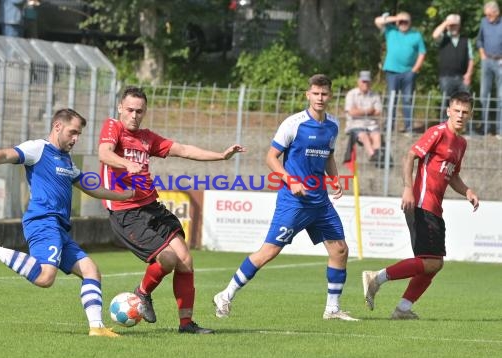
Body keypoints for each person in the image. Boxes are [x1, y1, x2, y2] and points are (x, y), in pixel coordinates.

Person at [0, 108, 134, 338]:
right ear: (58, 126)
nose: (75, 139)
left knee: (91, 271)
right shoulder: (37, 149)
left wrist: (126, 196)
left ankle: (96, 327)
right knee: (45, 278)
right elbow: (5, 155)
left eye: (78, 134)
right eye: (72, 132)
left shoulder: (67, 161)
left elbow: (92, 188)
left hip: (60, 228)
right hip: (43, 222)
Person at [97, 86, 246, 334]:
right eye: (130, 110)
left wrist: (221, 156)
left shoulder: (146, 137)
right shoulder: (113, 126)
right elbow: (104, 153)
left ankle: (186, 324)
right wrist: (126, 163)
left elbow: (184, 150)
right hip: (126, 212)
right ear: (120, 108)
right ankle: (142, 293)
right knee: (168, 258)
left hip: (151, 207)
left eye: (140, 111)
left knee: (185, 259)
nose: (134, 115)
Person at [213, 74, 358, 322]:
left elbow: (329, 156)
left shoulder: (333, 125)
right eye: (316, 93)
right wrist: (291, 180)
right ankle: (225, 295)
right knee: (268, 252)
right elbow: (271, 158)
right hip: (294, 202)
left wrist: (334, 179)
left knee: (340, 250)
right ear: (308, 95)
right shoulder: (293, 124)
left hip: (320, 202)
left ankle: (332, 309)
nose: (320, 98)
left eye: (324, 94)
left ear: (330, 95)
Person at [362, 92, 479, 320]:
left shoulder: (461, 143)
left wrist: (467, 191)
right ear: (448, 111)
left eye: (465, 112)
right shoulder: (437, 132)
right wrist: (408, 188)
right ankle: (376, 278)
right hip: (421, 203)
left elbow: (452, 175)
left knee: (434, 264)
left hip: (435, 208)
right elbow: (409, 156)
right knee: (430, 262)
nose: (460, 115)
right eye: (457, 110)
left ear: (470, 115)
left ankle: (403, 309)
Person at [375, 11, 426, 133]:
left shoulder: (416, 35)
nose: (403, 24)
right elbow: (377, 21)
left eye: (406, 21)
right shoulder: (390, 30)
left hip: (408, 72)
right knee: (391, 99)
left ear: (410, 22)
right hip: (391, 72)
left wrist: (415, 70)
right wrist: (396, 18)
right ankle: (389, 127)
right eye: (401, 22)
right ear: (397, 22)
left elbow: (422, 53)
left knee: (407, 100)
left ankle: (409, 128)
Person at [432, 14, 474, 120]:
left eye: (455, 25)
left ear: (459, 26)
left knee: (465, 103)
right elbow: (435, 35)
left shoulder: (465, 40)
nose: (453, 27)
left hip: (462, 77)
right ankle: (444, 127)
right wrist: (447, 22)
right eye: (451, 25)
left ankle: (465, 128)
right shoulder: (443, 38)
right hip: (445, 77)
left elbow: (471, 59)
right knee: (446, 102)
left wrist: (468, 74)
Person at [344, 70, 383, 163]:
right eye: (363, 81)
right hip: (355, 124)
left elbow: (378, 112)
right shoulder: (351, 94)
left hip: (371, 124)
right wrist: (368, 111)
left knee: (376, 135)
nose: (365, 83)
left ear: (370, 82)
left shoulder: (375, 95)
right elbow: (351, 112)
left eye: (367, 81)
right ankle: (372, 154)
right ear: (359, 81)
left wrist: (359, 111)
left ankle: (377, 154)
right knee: (363, 135)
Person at [476, 1, 502, 136]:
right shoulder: (483, 22)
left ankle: (500, 130)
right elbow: (479, 40)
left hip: (500, 62)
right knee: (483, 95)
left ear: (497, 13)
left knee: (501, 97)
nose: (488, 17)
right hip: (486, 60)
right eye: (486, 15)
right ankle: (484, 128)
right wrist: (482, 54)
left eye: (490, 15)